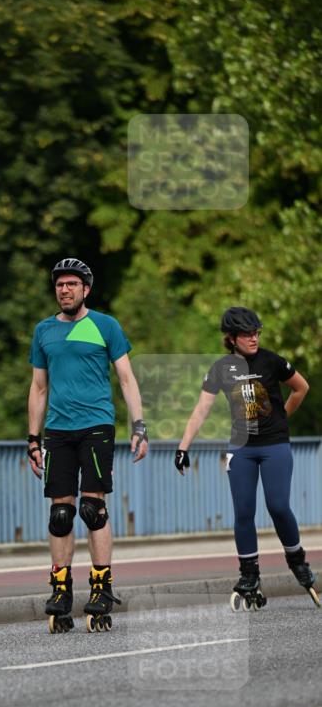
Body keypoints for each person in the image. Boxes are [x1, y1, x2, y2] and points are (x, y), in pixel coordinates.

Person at [27, 257, 148, 632]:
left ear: (86, 289)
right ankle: (60, 590)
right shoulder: (44, 331)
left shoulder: (105, 325)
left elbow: (126, 379)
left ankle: (101, 587)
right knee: (60, 513)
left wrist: (138, 425)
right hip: (58, 431)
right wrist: (32, 439)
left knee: (93, 509)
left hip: (96, 426)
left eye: (71, 284)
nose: (64, 290)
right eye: (59, 285)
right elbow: (39, 387)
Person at [175, 306, 317, 607]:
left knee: (278, 506)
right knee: (243, 511)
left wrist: (282, 416)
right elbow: (201, 410)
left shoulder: (272, 361)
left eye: (256, 333)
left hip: (275, 445)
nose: (253, 338)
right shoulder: (220, 369)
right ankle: (249, 573)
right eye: (246, 334)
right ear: (231, 338)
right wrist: (183, 447)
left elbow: (301, 388)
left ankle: (297, 559)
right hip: (241, 449)